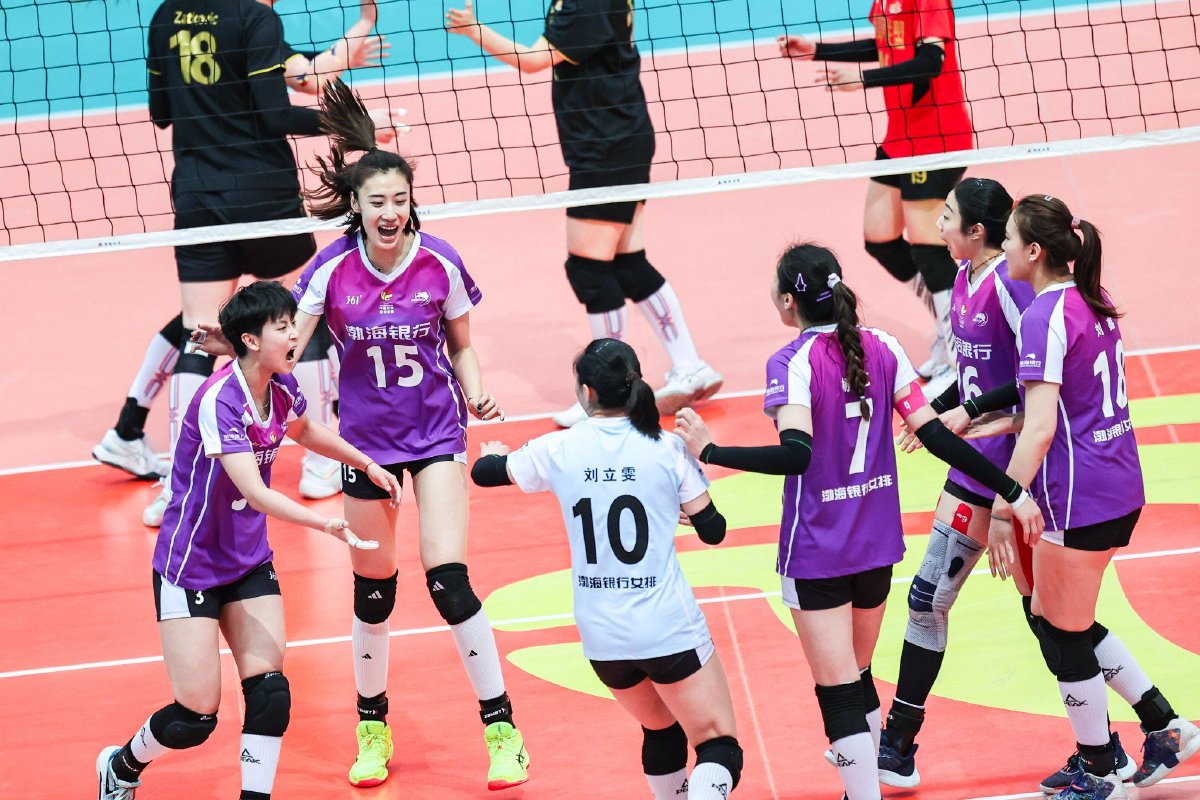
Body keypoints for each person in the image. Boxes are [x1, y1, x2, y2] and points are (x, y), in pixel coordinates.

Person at [197, 78, 529, 789]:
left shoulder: (439, 261)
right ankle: (372, 727)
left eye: (399, 200)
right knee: (373, 593)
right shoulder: (331, 269)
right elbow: (287, 347)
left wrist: (475, 387)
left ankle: (503, 730)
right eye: (377, 201)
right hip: (365, 446)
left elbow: (463, 344)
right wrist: (236, 346)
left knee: (448, 581)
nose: (390, 212)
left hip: (437, 436)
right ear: (356, 205)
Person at [672, 242, 1042, 800]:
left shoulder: (791, 363)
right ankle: (870, 781)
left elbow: (797, 453)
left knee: (840, 692)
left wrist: (711, 451)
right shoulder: (885, 346)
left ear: (788, 301)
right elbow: (935, 434)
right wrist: (1010, 488)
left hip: (817, 550)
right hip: (876, 546)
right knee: (858, 677)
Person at [874, 177, 1191, 796]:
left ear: (986, 234)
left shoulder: (1026, 295)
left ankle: (1105, 754)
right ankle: (1157, 725)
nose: (937, 223)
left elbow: (1036, 395)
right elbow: (985, 375)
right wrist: (944, 410)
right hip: (997, 464)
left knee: (1041, 617)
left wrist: (1004, 494)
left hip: (1016, 472)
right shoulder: (966, 278)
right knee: (1037, 614)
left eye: (948, 215)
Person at [92, 0, 403, 517]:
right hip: (262, 194)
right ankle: (319, 466)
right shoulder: (255, 19)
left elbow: (163, 111)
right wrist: (358, 129)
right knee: (298, 315)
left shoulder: (167, 15)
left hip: (196, 193)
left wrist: (358, 33)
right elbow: (275, 113)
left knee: (198, 332)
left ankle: (179, 481)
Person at [95, 281, 402, 800]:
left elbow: (304, 430)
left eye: (292, 324)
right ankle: (121, 766)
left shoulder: (279, 386)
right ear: (252, 340)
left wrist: (366, 462)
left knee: (270, 695)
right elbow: (256, 494)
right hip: (190, 567)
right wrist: (325, 525)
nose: (294, 335)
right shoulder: (220, 400)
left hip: (248, 562)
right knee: (195, 717)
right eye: (282, 327)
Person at [956, 195, 1200, 800]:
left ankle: (1100, 772)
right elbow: (1070, 406)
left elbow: (1042, 428)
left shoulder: (1043, 315)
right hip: (1118, 483)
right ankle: (1164, 728)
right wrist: (997, 420)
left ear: (1034, 251)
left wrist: (1006, 506)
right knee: (1063, 619)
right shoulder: (1094, 298)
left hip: (1077, 494)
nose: (1005, 249)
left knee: (1061, 632)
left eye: (1011, 240)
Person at [470, 338, 743, 800]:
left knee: (661, 731)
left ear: (588, 392)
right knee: (719, 746)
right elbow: (713, 530)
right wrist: (676, 508)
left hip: (603, 638)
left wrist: (491, 454)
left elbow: (486, 473)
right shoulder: (666, 448)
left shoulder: (559, 447)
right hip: (667, 627)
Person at [445, 0, 722, 425]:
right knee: (628, 263)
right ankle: (690, 364)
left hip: (605, 148)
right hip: (619, 137)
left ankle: (608, 393)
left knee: (589, 270)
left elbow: (534, 60)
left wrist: (473, 30)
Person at [778, 0, 973, 397]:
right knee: (880, 239)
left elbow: (930, 62)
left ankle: (960, 362)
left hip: (936, 137)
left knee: (929, 249)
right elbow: (886, 45)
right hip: (900, 137)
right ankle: (948, 326)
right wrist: (818, 50)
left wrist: (863, 80)